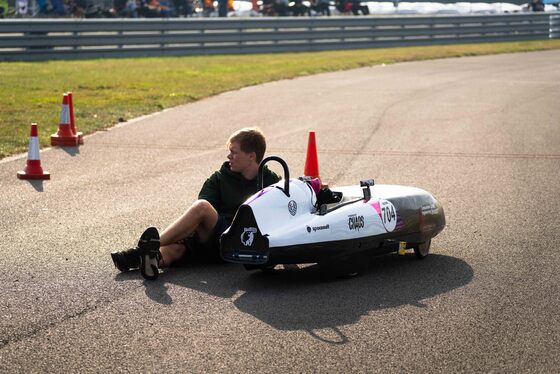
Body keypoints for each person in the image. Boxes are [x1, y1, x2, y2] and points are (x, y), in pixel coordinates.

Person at [111, 127, 281, 280]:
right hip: (210, 239)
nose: (229, 156)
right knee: (174, 250)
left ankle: (137, 252)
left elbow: (279, 219)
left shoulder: (272, 182)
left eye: (234, 152)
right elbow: (199, 219)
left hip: (238, 239)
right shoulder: (219, 177)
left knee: (202, 207)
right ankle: (149, 258)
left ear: (251, 156)